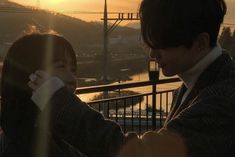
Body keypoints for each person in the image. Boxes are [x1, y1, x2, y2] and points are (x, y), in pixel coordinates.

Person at [27, 0, 235, 156]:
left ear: (200, 42)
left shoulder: (224, 98)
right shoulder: (199, 81)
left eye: (161, 45)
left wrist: (60, 103)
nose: (153, 55)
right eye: (149, 44)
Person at [0, 33, 90, 157]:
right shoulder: (15, 149)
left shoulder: (64, 134)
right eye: (61, 67)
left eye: (73, 69)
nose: (72, 79)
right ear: (30, 75)